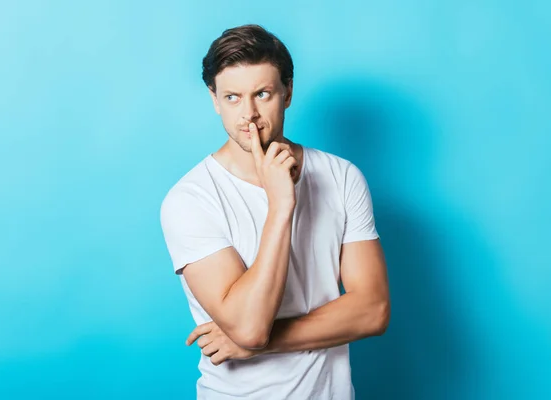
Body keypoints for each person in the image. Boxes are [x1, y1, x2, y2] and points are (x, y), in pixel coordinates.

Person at [160, 24, 390, 400]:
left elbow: (373, 310)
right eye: (232, 97)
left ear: (288, 92)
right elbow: (249, 326)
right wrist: (281, 205)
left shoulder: (342, 177)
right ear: (214, 99)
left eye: (262, 94)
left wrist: (260, 344)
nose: (248, 114)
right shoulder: (191, 199)